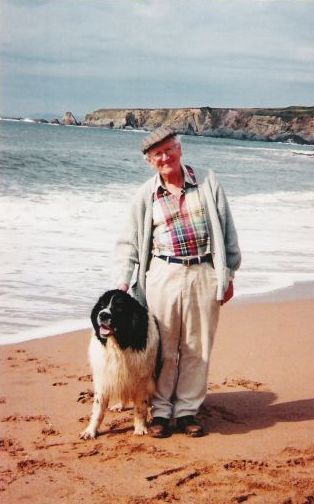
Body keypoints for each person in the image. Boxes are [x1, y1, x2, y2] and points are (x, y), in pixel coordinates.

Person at [116, 126, 241, 438]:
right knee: (163, 346)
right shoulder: (145, 194)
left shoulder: (208, 182)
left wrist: (229, 274)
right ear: (149, 161)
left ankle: (186, 411)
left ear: (180, 149)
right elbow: (129, 243)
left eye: (169, 149)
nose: (165, 157)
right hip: (161, 274)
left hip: (203, 272)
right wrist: (123, 281)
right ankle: (159, 411)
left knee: (198, 347)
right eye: (157, 154)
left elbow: (227, 233)